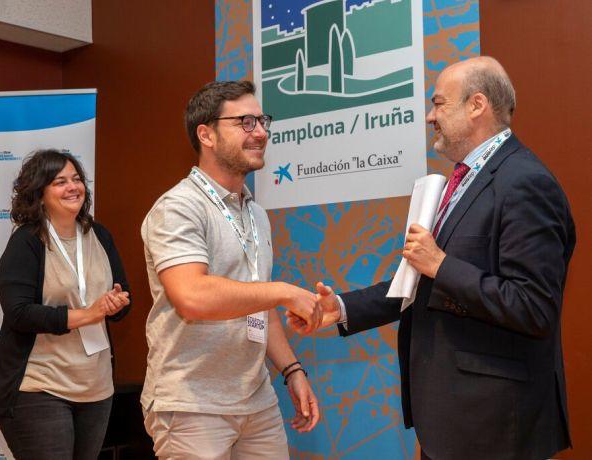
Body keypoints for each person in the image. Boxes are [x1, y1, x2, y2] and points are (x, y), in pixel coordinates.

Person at [288, 57, 575, 460]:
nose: (429, 116)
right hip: (453, 420)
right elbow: (418, 282)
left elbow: (534, 307)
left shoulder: (525, 182)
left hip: (496, 427)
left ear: (477, 105)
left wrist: (441, 263)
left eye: (439, 104)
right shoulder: (463, 179)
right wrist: (340, 308)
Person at [141, 80, 320, 459]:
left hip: (256, 401)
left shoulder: (255, 214)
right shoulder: (178, 207)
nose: (261, 132)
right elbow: (191, 296)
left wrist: (292, 370)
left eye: (261, 121)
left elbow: (256, 302)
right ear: (206, 134)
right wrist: (284, 291)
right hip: (193, 403)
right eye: (245, 122)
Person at [0, 149, 131, 459]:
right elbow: (19, 312)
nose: (73, 187)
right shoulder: (27, 241)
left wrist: (117, 302)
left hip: (96, 388)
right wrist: (86, 315)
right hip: (40, 386)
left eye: (77, 179)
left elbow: (124, 299)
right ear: (39, 194)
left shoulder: (99, 235)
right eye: (59, 181)